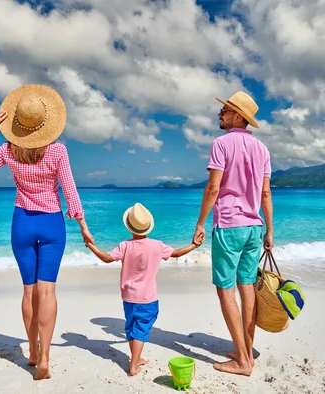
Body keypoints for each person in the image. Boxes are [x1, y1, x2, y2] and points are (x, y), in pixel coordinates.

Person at [0, 84, 94, 380]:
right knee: (47, 291)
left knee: (28, 291)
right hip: (51, 224)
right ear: (47, 123)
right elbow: (70, 192)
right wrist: (83, 226)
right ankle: (45, 356)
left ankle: (32, 353)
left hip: (22, 222)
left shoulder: (9, 149)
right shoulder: (58, 150)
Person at [192, 91, 274, 376]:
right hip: (254, 226)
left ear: (237, 116)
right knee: (246, 286)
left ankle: (241, 360)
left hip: (229, 225)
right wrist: (270, 230)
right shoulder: (262, 149)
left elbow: (213, 189)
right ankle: (247, 350)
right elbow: (265, 193)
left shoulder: (221, 144)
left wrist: (201, 223)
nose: (220, 115)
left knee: (225, 289)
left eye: (225, 111)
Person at [85, 202, 200, 376]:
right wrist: (194, 245)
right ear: (148, 227)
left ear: (130, 227)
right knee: (141, 329)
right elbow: (176, 253)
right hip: (147, 297)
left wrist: (91, 246)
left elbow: (107, 258)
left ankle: (136, 358)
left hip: (128, 296)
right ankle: (133, 365)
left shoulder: (125, 245)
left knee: (131, 327)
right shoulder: (156, 245)